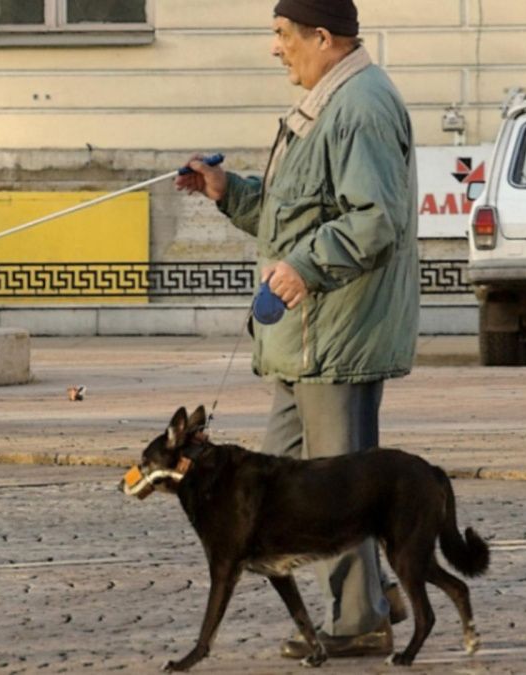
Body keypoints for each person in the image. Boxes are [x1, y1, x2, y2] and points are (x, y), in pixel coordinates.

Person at [173, 0, 419, 660]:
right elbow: (296, 215)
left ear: (323, 37)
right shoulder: (327, 100)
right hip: (303, 342)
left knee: (336, 491)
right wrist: (227, 190)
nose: (274, 48)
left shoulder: (361, 105)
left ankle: (360, 618)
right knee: (275, 492)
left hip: (335, 338)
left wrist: (307, 268)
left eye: (283, 35)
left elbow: (375, 222)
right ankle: (376, 591)